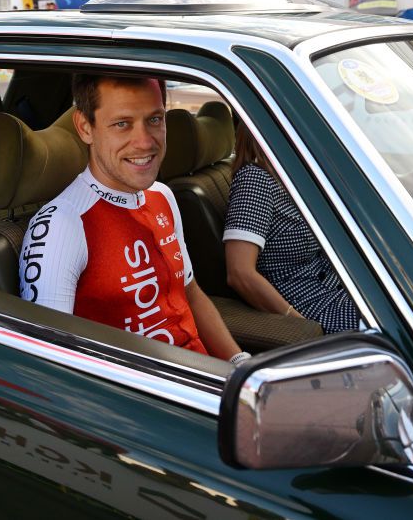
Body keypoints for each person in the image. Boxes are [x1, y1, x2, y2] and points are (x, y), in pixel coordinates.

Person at [19, 74, 247, 363]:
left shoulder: (162, 196)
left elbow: (190, 293)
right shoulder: (60, 226)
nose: (144, 142)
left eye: (154, 119)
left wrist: (239, 362)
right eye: (122, 124)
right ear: (85, 127)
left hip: (202, 377)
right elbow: (50, 363)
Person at [224, 123, 359, 334]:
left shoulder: (290, 177)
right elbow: (240, 273)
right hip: (312, 308)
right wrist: (299, 324)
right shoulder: (255, 179)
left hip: (337, 292)